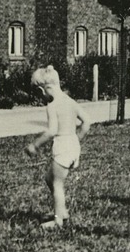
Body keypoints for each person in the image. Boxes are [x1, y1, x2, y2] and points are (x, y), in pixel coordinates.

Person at [25, 65, 91, 228]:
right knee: (50, 178)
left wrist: (35, 145)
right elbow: (87, 123)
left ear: (43, 90)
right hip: (72, 145)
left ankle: (58, 221)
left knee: (57, 184)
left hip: (63, 147)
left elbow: (52, 131)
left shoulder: (52, 106)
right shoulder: (71, 101)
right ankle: (60, 210)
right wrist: (76, 140)